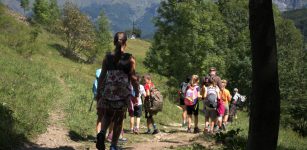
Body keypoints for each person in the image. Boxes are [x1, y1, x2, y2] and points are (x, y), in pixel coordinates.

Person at [96, 32, 139, 150]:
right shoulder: (130, 58)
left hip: (109, 91)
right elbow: (134, 78)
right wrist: (137, 92)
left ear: (114, 42)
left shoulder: (107, 57)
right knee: (119, 119)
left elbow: (102, 76)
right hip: (122, 93)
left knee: (107, 114)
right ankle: (113, 146)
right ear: (125, 42)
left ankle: (101, 132)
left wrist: (99, 91)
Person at [93, 68, 102, 133]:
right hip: (108, 99)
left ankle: (98, 135)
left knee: (100, 117)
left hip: (99, 99)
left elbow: (94, 90)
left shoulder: (96, 81)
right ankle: (109, 134)